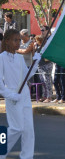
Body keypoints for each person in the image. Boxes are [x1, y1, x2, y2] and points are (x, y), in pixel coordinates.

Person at [0, 29, 41, 159]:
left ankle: (27, 156)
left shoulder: (19, 57)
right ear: (7, 41)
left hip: (24, 95)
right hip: (12, 95)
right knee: (16, 128)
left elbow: (26, 76)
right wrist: (10, 95)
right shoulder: (1, 58)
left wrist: (35, 63)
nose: (18, 43)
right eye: (15, 40)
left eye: (19, 40)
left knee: (28, 129)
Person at [35, 35, 53, 103]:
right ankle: (44, 96)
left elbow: (48, 58)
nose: (36, 42)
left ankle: (49, 97)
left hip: (46, 65)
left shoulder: (46, 48)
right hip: (40, 65)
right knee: (43, 82)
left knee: (47, 81)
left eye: (37, 41)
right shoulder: (38, 48)